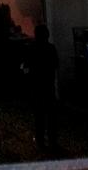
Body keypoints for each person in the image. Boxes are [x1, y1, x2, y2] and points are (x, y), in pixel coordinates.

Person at [27, 23, 59, 153]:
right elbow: (56, 64)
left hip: (36, 86)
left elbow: (27, 65)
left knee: (39, 115)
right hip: (48, 85)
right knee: (51, 115)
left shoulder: (32, 48)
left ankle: (40, 140)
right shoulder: (51, 48)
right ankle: (53, 140)